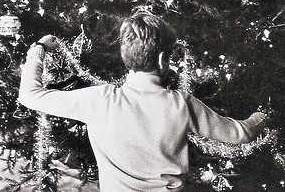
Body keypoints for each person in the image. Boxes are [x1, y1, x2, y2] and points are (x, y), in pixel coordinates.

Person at [18, 13, 267, 191]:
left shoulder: (100, 100)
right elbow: (240, 134)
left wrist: (38, 49)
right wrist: (262, 117)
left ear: (125, 57)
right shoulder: (181, 103)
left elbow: (30, 95)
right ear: (162, 59)